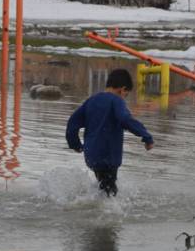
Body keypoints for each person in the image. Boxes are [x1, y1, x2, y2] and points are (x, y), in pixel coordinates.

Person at [66, 68, 154, 196]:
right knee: (111, 195)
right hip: (108, 155)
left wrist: (75, 145)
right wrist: (146, 137)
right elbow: (125, 119)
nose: (124, 98)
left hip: (91, 155)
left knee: (104, 187)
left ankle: (91, 204)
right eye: (126, 95)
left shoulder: (91, 101)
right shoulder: (116, 101)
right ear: (122, 89)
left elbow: (72, 124)